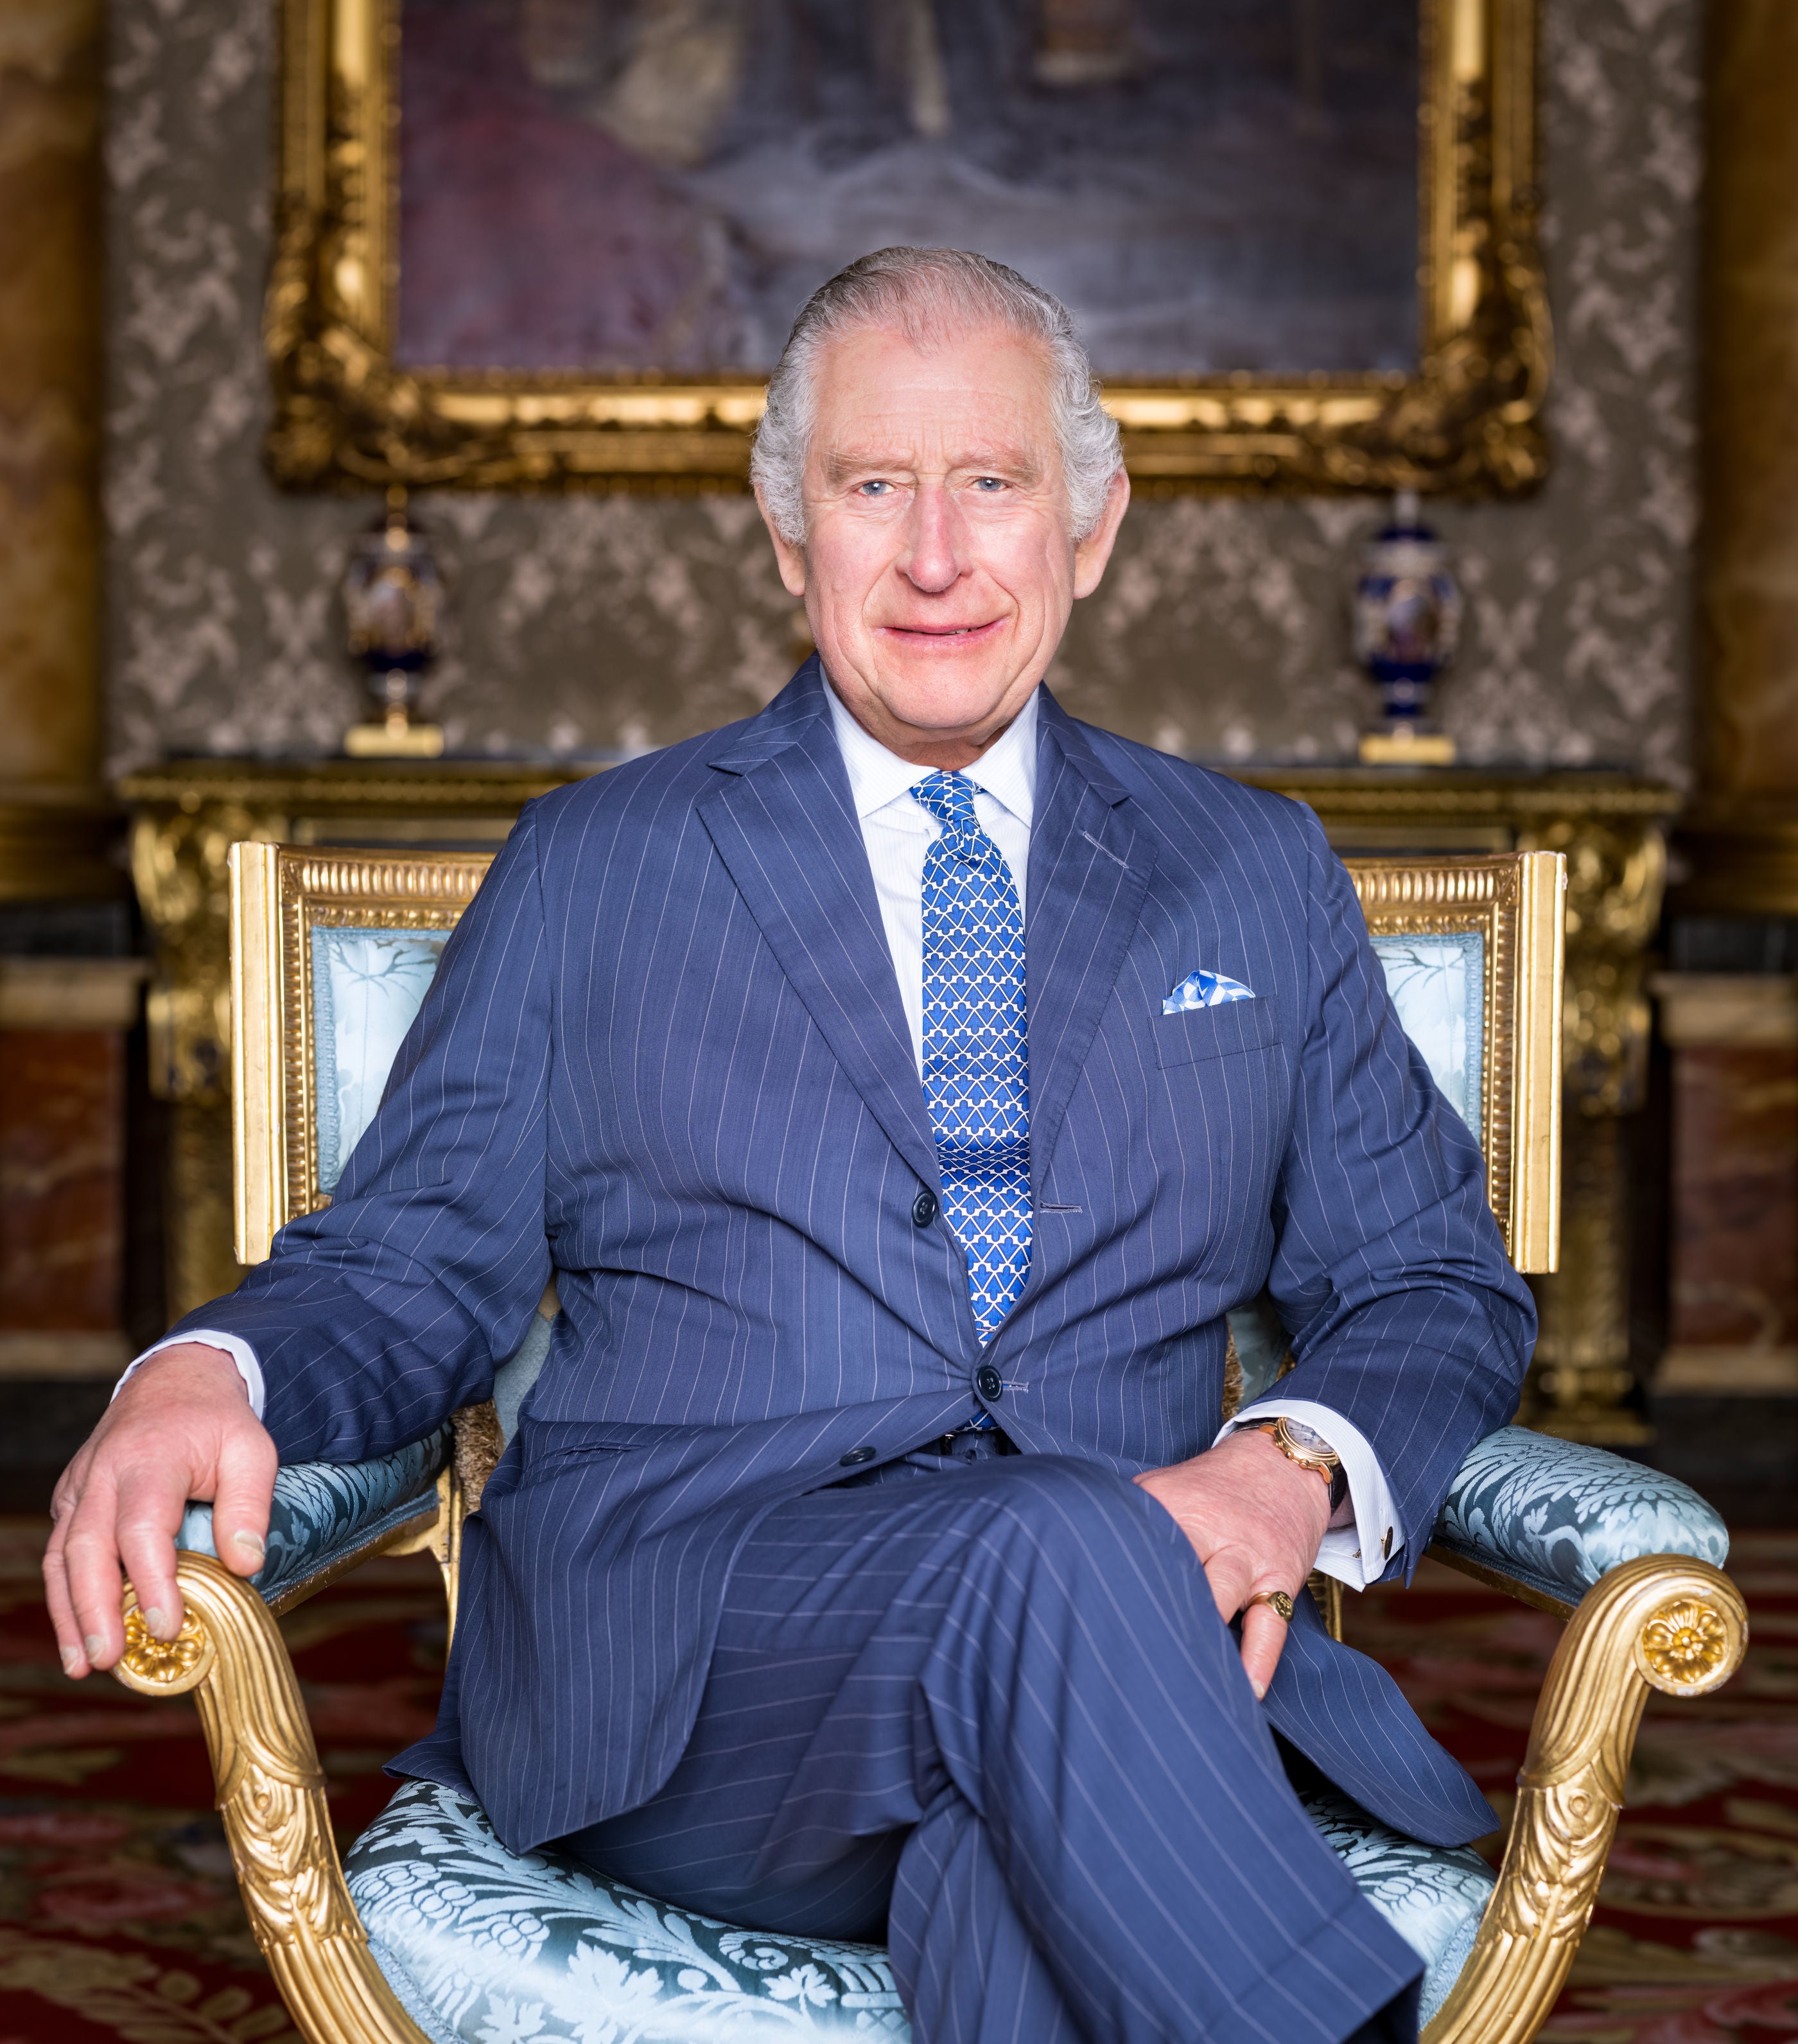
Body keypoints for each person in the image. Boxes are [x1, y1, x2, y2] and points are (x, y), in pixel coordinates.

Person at [46, 249, 1532, 2044]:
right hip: (698, 1668)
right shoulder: (599, 868)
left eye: (990, 483)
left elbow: (1430, 1280)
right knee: (1054, 1548)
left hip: (1131, 1684)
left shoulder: (1254, 872)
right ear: (785, 534)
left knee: (1005, 1858)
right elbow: (405, 1262)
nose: (933, 555)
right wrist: (205, 1368)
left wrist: (1290, 1462)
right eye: (871, 487)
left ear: (1094, 522)